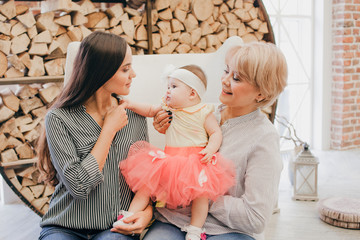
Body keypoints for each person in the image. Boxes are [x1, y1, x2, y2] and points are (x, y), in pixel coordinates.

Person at [144, 41, 288, 240]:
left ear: (261, 93)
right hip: (174, 220)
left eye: (236, 78)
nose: (225, 81)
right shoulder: (202, 112)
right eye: (226, 71)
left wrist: (200, 195)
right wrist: (164, 128)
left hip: (227, 230)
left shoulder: (264, 137)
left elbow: (256, 218)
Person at [36, 31, 153, 240]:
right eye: (125, 69)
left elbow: (146, 180)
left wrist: (147, 213)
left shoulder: (135, 116)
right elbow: (79, 187)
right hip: (64, 226)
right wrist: (108, 130)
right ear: (102, 72)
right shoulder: (59, 119)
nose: (133, 74)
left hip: (115, 228)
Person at [117, 64, 236, 240]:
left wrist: (211, 149)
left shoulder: (203, 111)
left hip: (195, 162)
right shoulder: (168, 108)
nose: (168, 91)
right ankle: (128, 215)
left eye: (174, 87)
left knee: (200, 195)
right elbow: (149, 110)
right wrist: (130, 104)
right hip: (169, 161)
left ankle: (195, 228)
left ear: (192, 93)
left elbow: (215, 133)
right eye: (168, 87)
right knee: (146, 187)